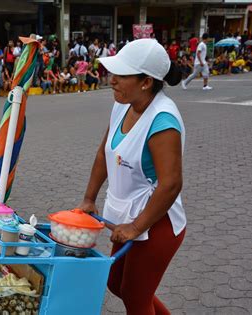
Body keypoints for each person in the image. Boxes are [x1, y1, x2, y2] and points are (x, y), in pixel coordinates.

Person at [77, 38, 184, 315]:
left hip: (157, 222)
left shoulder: (163, 121)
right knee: (116, 284)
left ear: (146, 82)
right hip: (126, 217)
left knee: (136, 297)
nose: (112, 80)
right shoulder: (123, 105)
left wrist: (136, 228)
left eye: (121, 75)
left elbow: (171, 184)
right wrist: (89, 198)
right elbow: (105, 153)